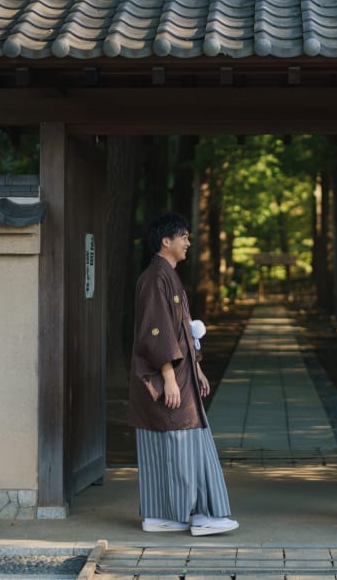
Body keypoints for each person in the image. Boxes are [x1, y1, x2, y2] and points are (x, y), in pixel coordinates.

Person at [128, 212, 238, 536]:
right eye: (184, 237)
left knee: (181, 443)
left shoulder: (167, 276)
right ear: (167, 241)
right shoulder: (154, 278)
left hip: (181, 373)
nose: (188, 243)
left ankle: (169, 514)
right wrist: (170, 376)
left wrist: (198, 367)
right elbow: (156, 331)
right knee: (181, 443)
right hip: (167, 377)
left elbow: (180, 329)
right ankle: (196, 513)